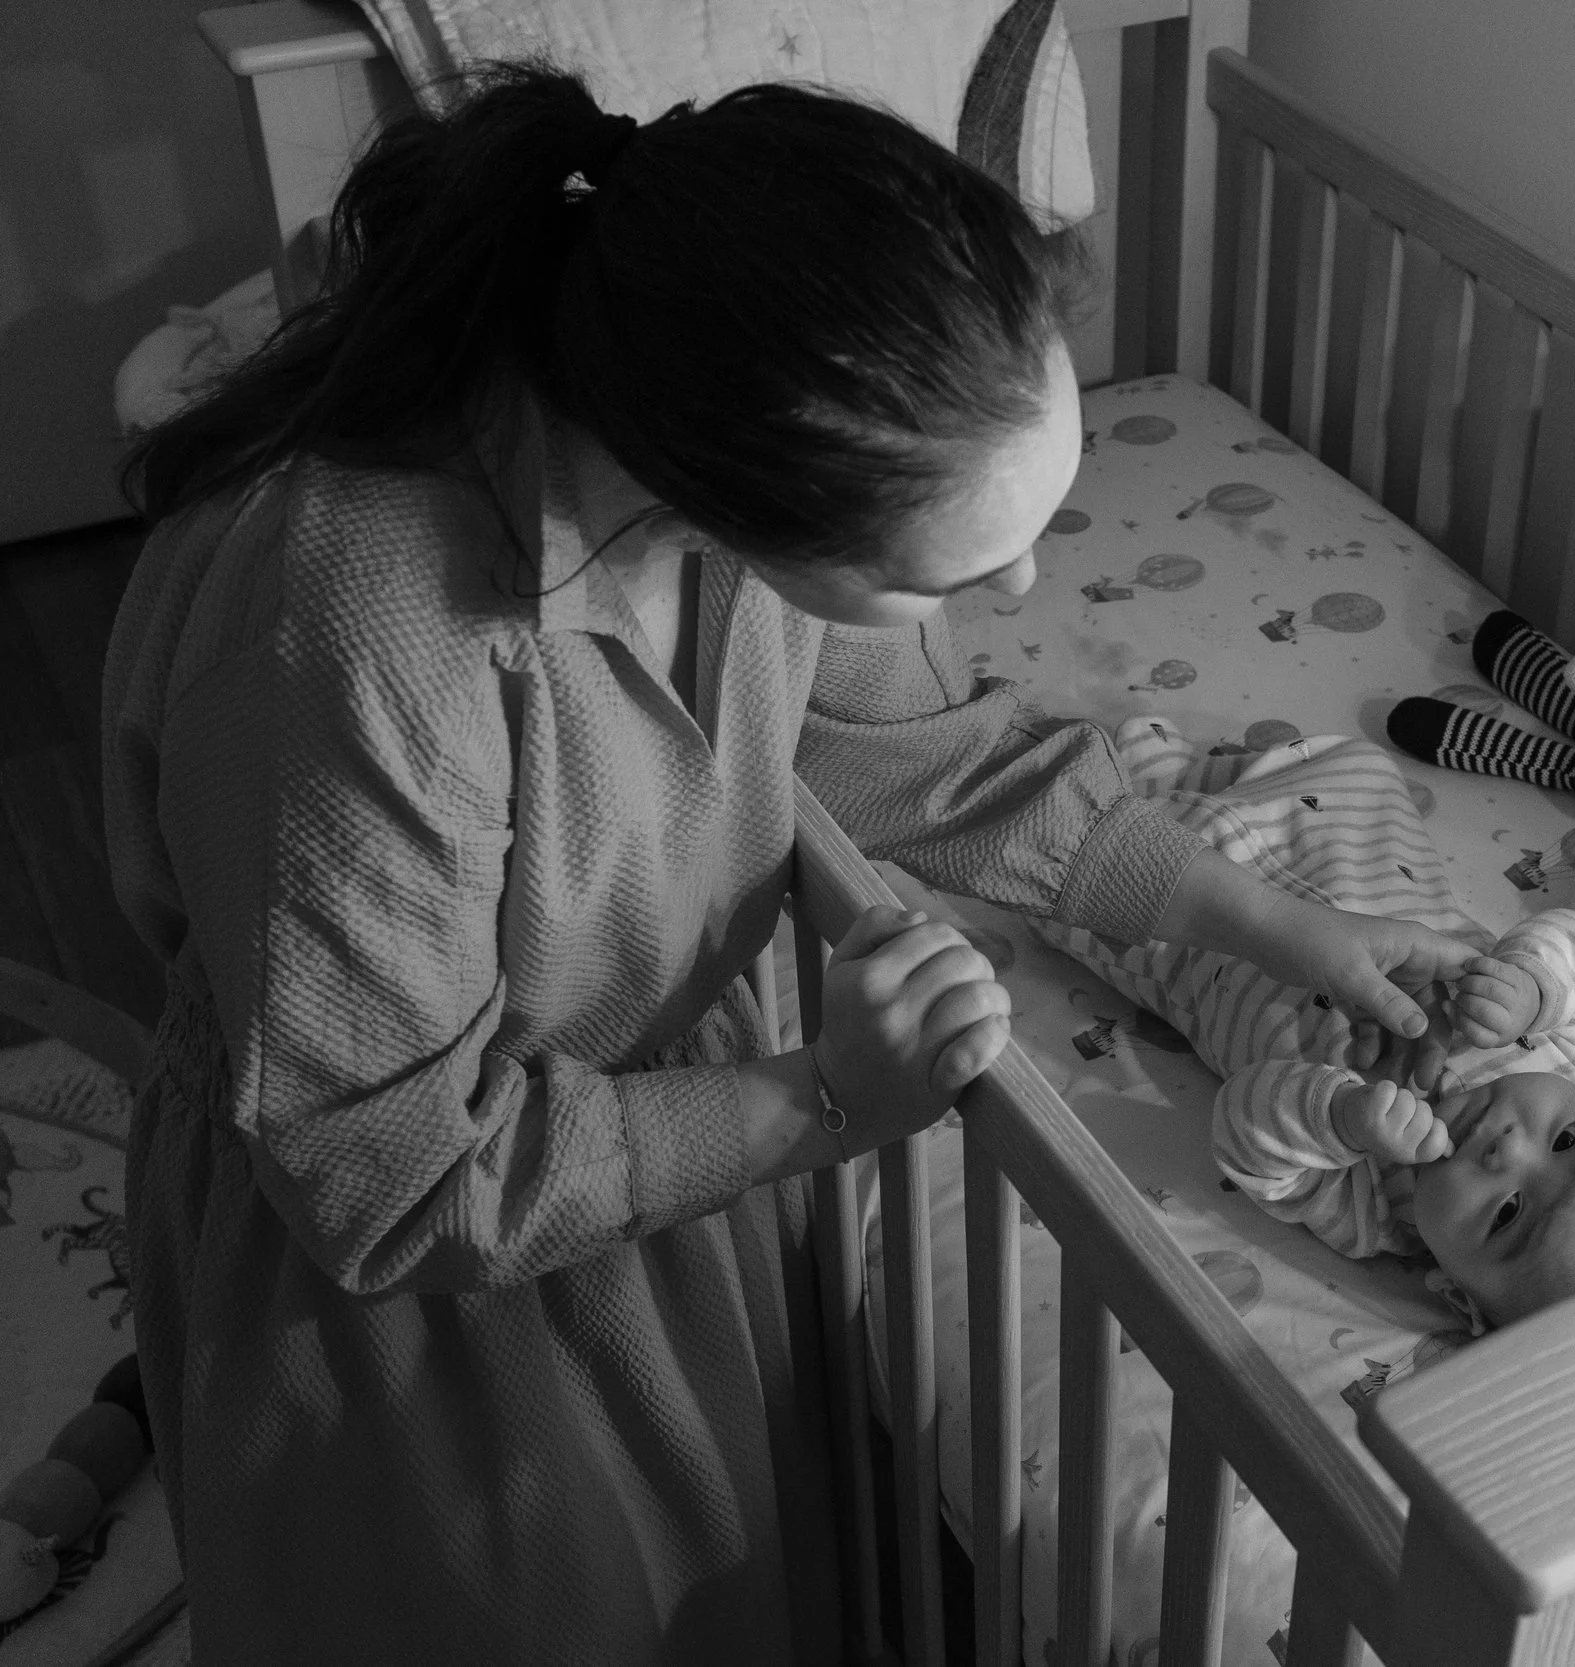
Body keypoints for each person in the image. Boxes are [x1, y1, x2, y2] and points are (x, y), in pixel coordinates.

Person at [102, 65, 1472, 1665]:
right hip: (419, 1290)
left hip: (642, 1161)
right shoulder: (367, 633)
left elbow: (946, 762)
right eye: (960, 567)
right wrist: (818, 1098)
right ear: (744, 496)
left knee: (710, 1582)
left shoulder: (702, 509)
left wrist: (1286, 926)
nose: (1025, 585)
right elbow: (388, 1171)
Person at [1041, 720, 1575, 1328]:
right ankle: (1172, 769)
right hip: (1339, 831)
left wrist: (1340, 1116)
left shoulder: (1374, 1207)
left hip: (1188, 938)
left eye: (1506, 1214)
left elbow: (1243, 1130)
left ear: (1459, 1293)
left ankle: (1121, 792)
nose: (1508, 1149)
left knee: (1055, 871)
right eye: (1570, 1136)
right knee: (1355, 771)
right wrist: (1537, 986)